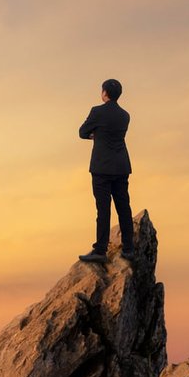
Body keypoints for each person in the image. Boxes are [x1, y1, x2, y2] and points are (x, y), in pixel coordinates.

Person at [77, 78, 134, 264]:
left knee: (103, 209)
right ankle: (129, 248)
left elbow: (82, 131)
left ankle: (100, 250)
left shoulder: (97, 112)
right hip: (121, 165)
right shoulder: (125, 116)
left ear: (104, 93)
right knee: (123, 206)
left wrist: (95, 135)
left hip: (102, 167)